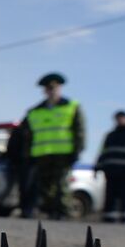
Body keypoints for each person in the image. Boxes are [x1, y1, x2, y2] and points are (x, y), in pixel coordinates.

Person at [23, 73, 84, 220]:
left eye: (54, 88)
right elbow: (28, 135)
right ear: (44, 90)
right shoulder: (35, 111)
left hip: (63, 154)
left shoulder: (72, 107)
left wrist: (77, 150)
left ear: (60, 88)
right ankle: (50, 212)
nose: (51, 91)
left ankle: (62, 213)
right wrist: (28, 154)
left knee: (61, 185)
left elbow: (79, 131)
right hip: (42, 154)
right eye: (48, 88)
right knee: (45, 186)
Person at [3, 118, 33, 217]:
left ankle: (26, 209)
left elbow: (10, 149)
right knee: (25, 187)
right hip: (24, 162)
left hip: (22, 163)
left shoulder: (18, 132)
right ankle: (26, 209)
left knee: (24, 187)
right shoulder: (29, 132)